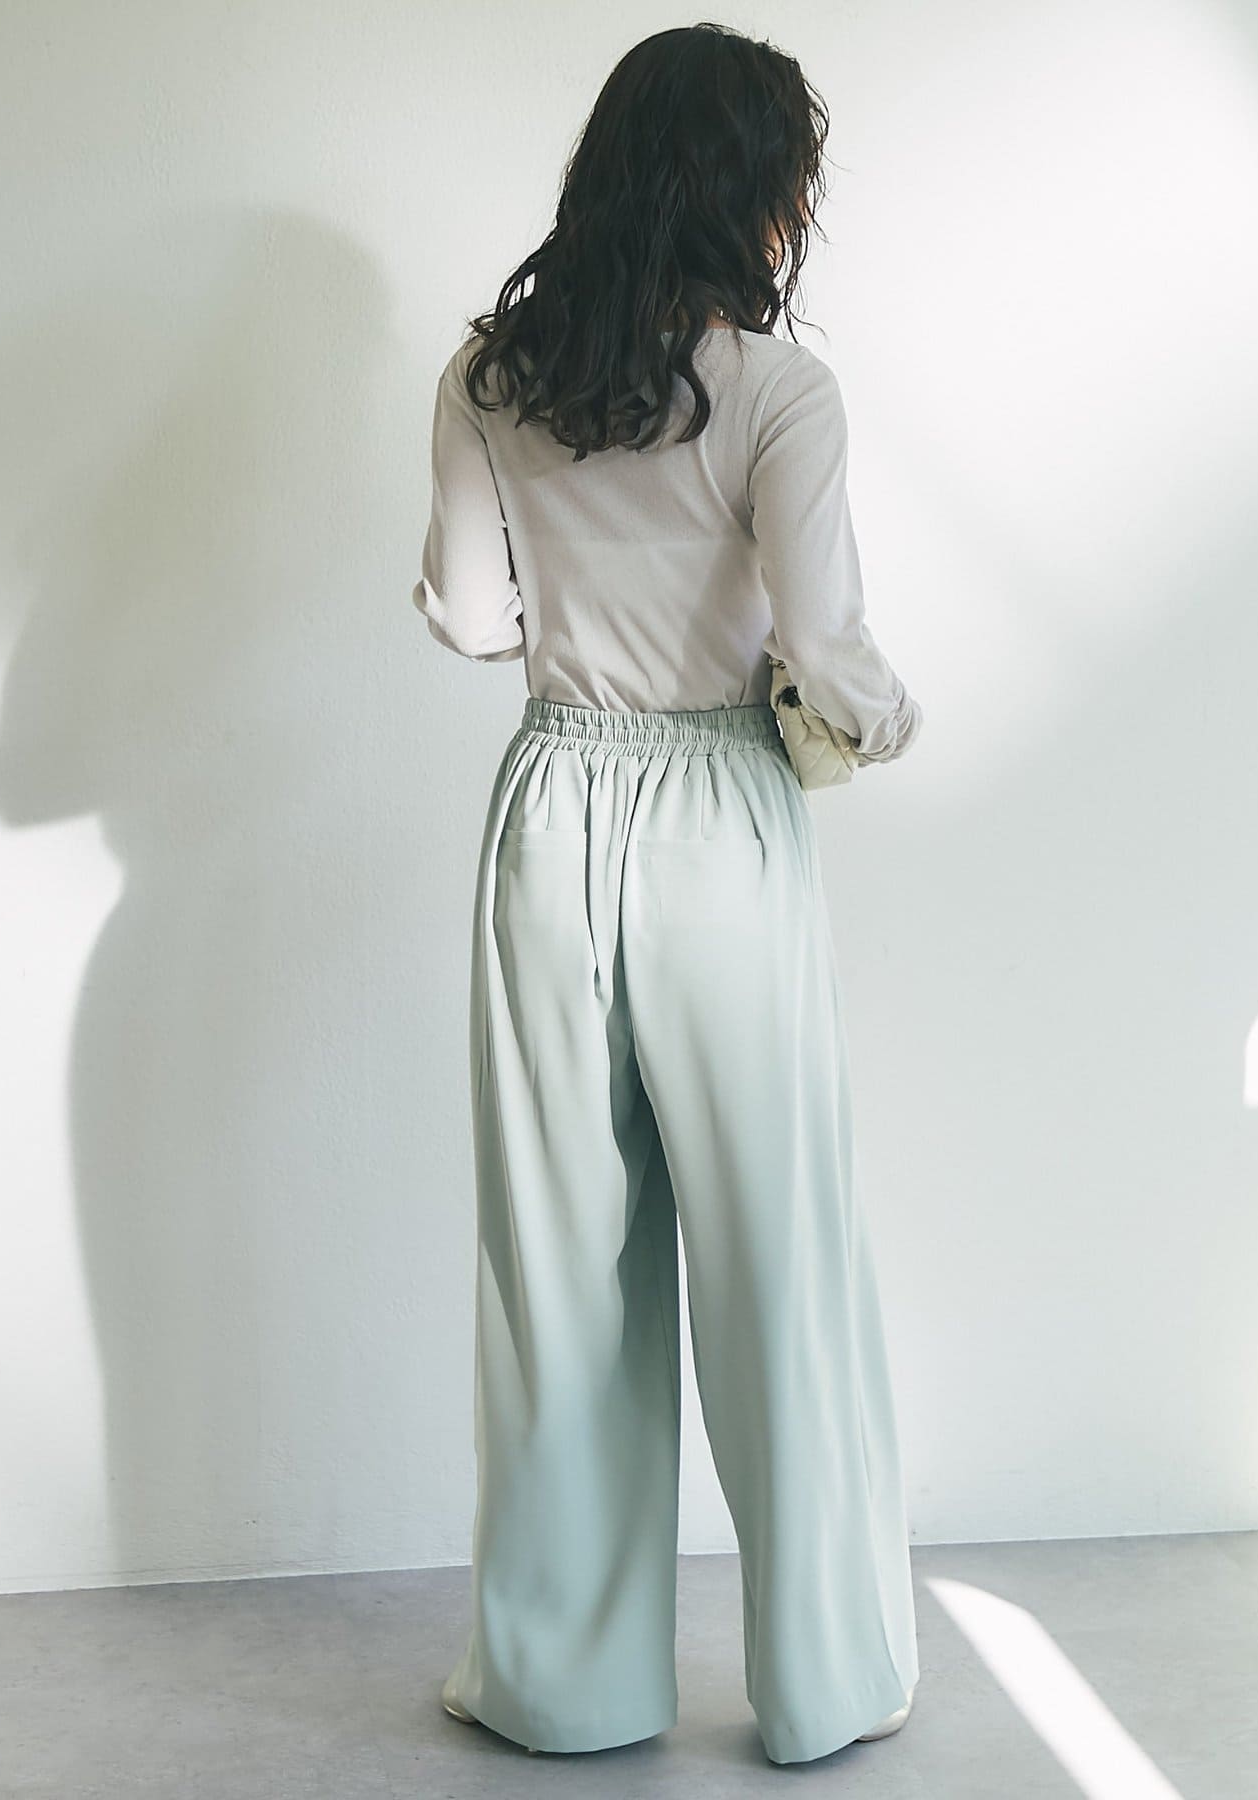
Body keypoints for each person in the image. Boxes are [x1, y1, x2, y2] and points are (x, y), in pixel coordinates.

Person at [412, 22, 923, 1768]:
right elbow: (832, 654)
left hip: (551, 802)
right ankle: (828, 1682)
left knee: (556, 1266)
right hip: (722, 808)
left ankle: (562, 1686)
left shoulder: (492, 372)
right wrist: (878, 721)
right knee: (780, 1254)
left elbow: (472, 619)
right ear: (753, 191)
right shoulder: (782, 393)